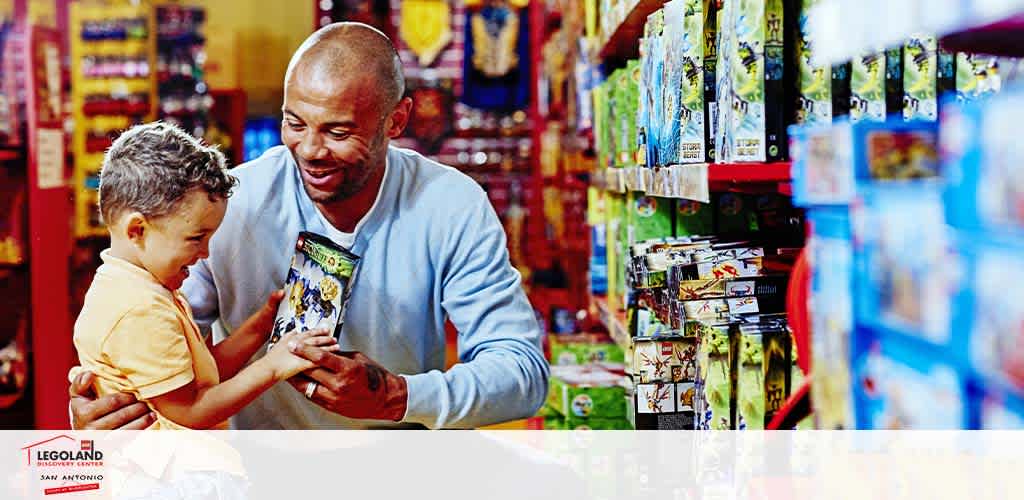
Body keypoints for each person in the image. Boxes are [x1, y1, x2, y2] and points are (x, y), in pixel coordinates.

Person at [70, 22, 549, 430]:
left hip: (399, 466)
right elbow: (158, 342)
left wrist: (398, 396)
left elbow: (523, 373)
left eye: (338, 132)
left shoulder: (451, 205)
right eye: (294, 123)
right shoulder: (227, 205)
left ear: (396, 120)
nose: (311, 151)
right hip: (256, 471)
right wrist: (101, 405)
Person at [71, 122, 340, 430]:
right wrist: (273, 366)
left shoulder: (142, 289)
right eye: (196, 238)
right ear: (137, 230)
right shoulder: (138, 310)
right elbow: (193, 409)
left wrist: (261, 325)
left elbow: (204, 379)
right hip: (177, 476)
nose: (205, 254)